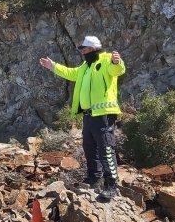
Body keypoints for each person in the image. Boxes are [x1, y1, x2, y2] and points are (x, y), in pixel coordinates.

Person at [39, 35, 125, 201]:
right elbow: (71, 73)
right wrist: (53, 66)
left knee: (107, 149)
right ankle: (93, 179)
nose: (82, 52)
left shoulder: (107, 60)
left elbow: (118, 70)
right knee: (89, 148)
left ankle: (111, 185)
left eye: (84, 49)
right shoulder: (86, 66)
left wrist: (117, 62)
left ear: (92, 49)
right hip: (89, 116)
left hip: (104, 115)